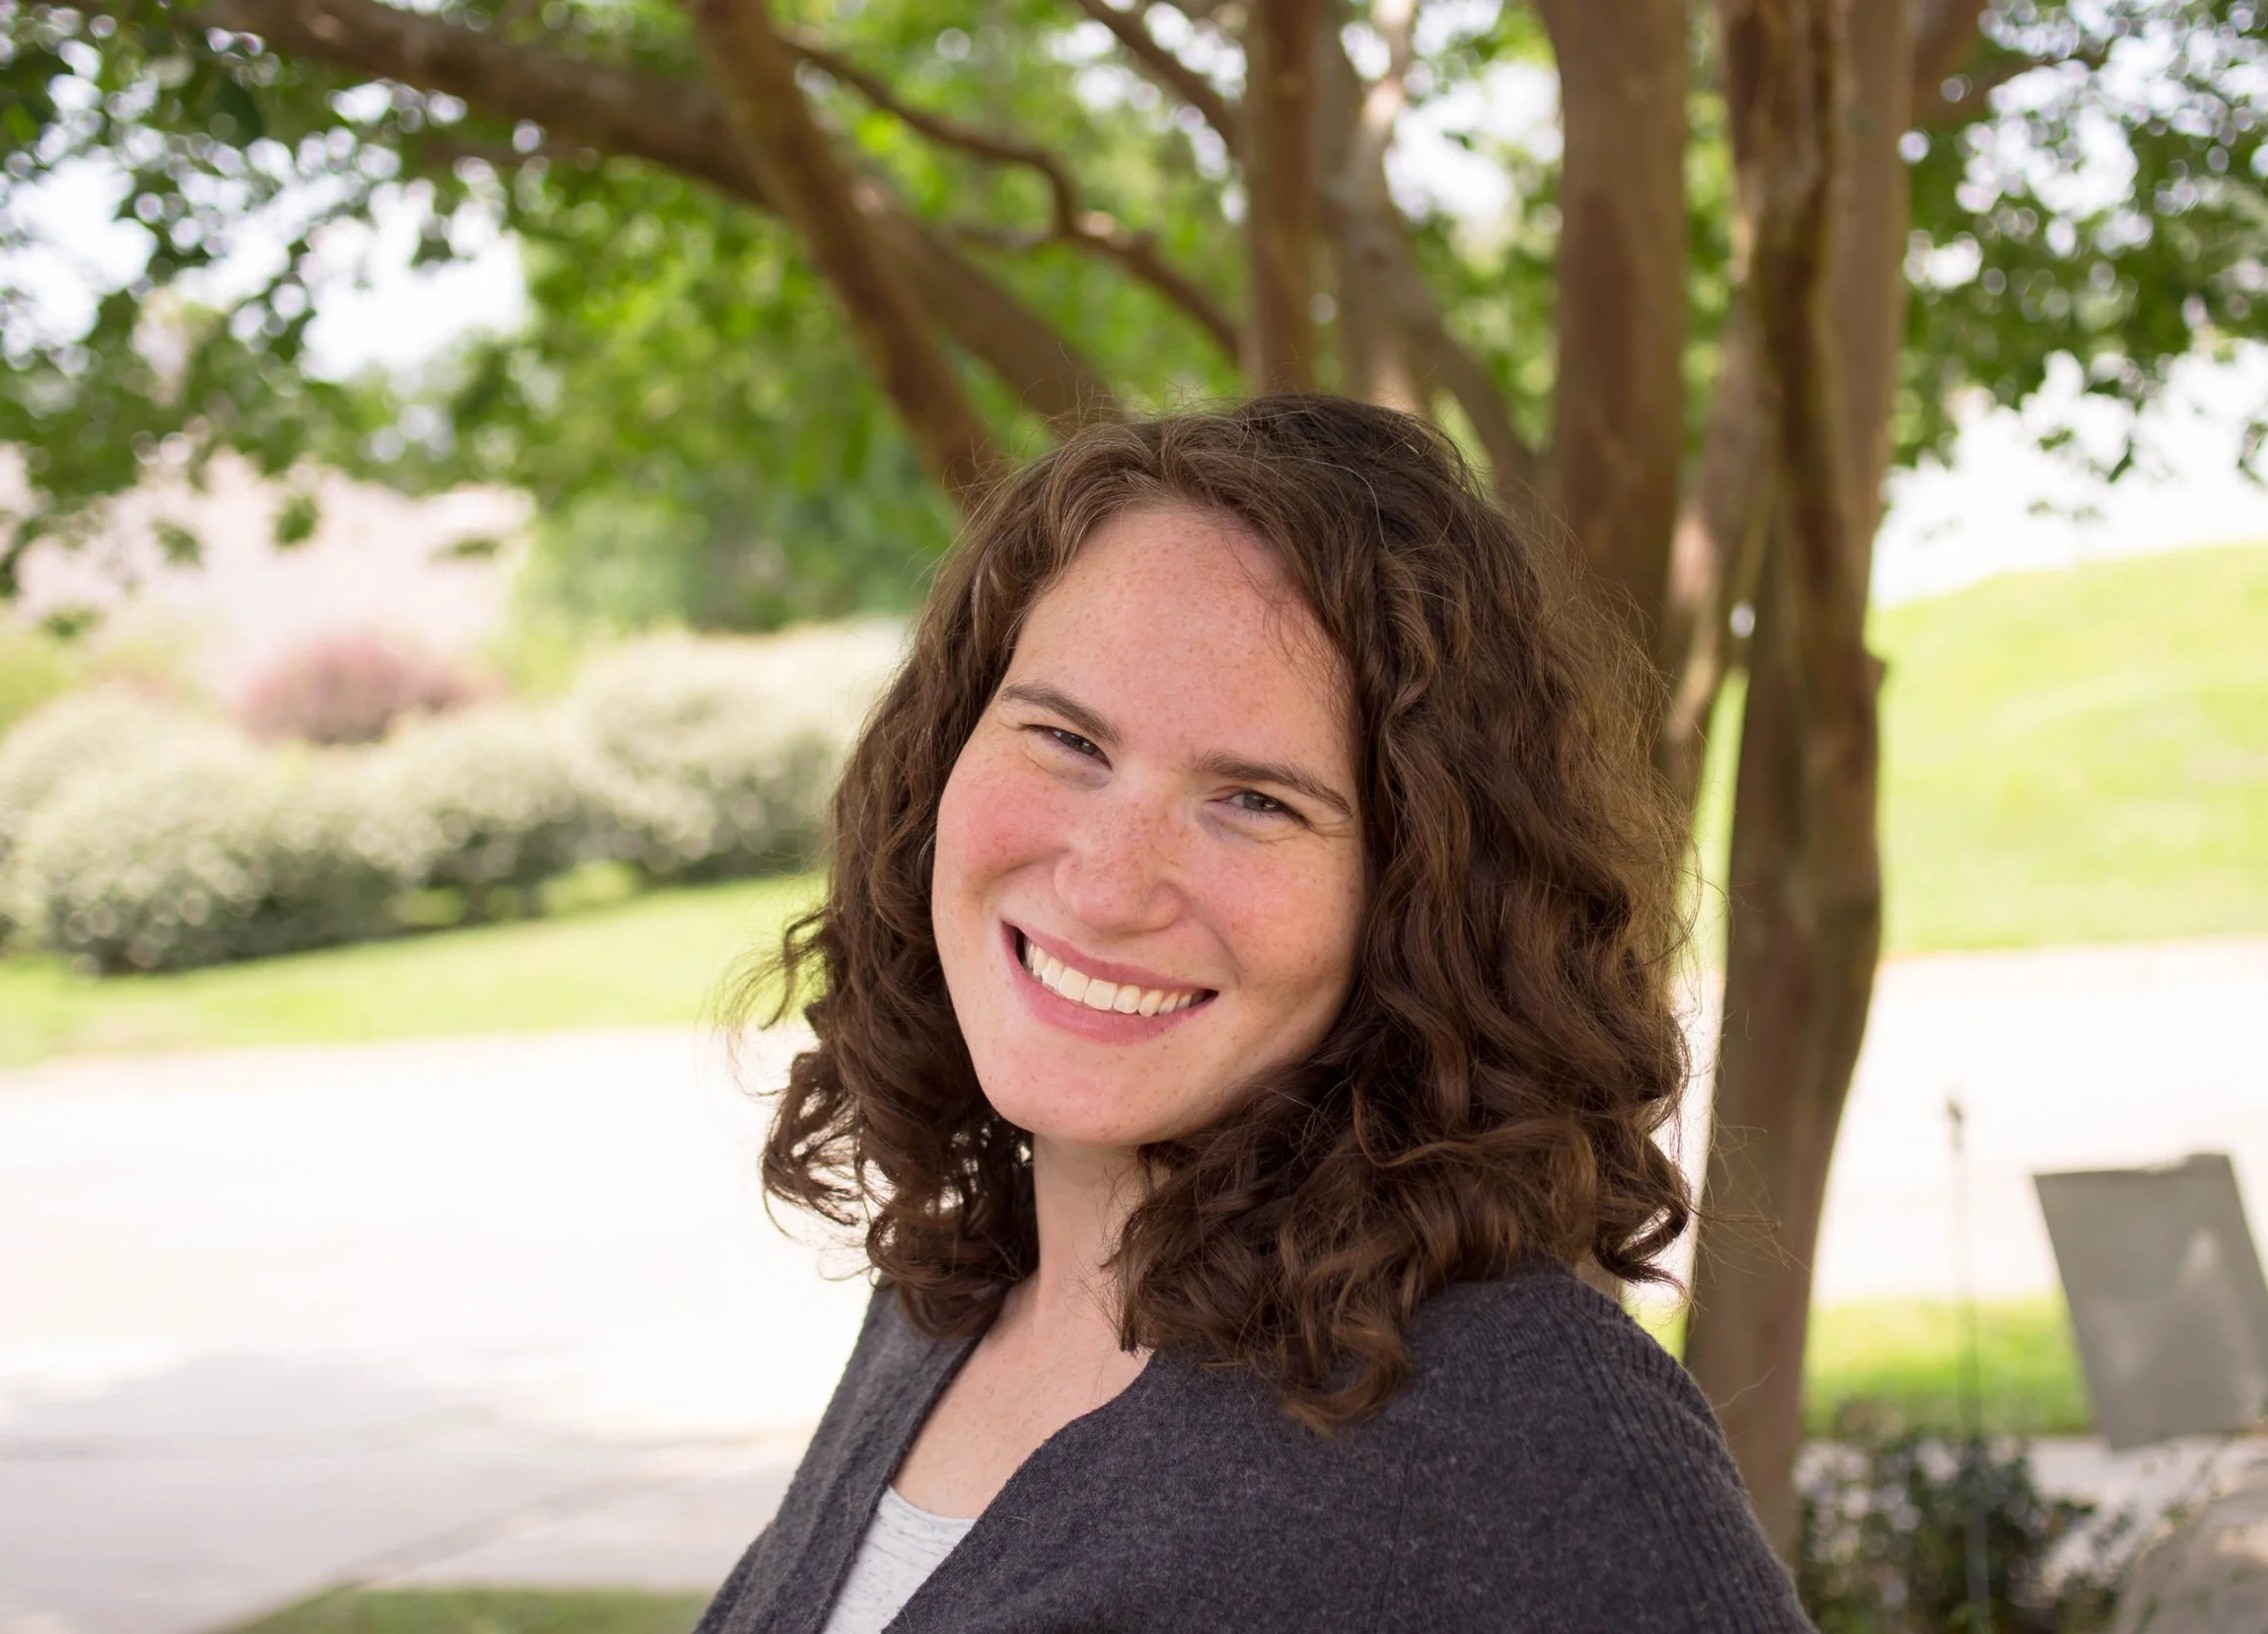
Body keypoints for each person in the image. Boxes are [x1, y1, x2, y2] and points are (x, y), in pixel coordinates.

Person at [702, 396, 1814, 1633]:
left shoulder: (1520, 1420)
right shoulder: (948, 1310)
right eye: (1066, 737)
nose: (1108, 884)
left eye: (1255, 802)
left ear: (1418, 902)